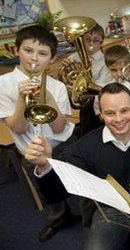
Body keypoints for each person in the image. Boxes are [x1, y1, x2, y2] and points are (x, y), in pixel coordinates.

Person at [25, 83, 130, 249]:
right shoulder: (85, 146)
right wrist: (44, 166)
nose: (118, 119)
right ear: (101, 114)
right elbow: (58, 193)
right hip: (111, 208)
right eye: (110, 113)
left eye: (124, 110)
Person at [0, 25, 78, 242]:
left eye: (42, 53)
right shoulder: (3, 85)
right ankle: (58, 218)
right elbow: (18, 128)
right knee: (47, 189)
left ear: (52, 58)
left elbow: (60, 128)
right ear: (16, 51)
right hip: (32, 150)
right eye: (28, 50)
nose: (34, 58)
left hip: (62, 142)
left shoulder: (57, 86)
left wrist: (50, 100)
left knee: (79, 179)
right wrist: (21, 99)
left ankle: (89, 212)